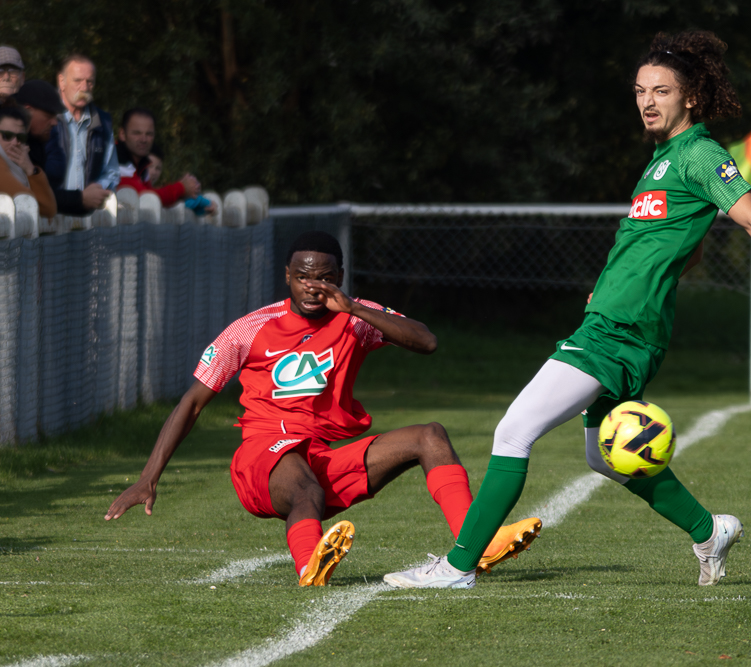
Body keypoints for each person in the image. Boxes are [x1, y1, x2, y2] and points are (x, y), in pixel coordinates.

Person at [384, 30, 751, 590]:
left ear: (691, 98)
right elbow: (685, 239)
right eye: (639, 91)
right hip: (613, 320)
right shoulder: (663, 158)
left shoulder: (702, 154)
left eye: (661, 91)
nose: (648, 101)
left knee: (513, 432)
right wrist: (624, 283)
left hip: (621, 333)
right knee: (603, 456)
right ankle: (708, 531)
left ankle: (458, 568)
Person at [105, 231, 540, 586]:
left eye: (325, 278)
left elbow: (426, 342)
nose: (314, 287)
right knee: (302, 483)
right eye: (303, 277)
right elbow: (192, 402)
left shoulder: (354, 317)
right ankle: (310, 567)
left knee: (431, 436)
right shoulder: (249, 329)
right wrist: (148, 477)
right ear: (288, 277)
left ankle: (476, 545)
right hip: (262, 457)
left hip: (322, 457)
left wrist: (353, 308)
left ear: (341, 277)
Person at [46, 54, 117, 216]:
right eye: (77, 81)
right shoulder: (44, 117)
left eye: (90, 82)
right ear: (61, 82)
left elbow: (111, 172)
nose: (84, 87)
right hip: (49, 214)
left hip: (87, 217)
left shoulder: (103, 122)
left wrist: (95, 192)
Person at [115, 107, 205, 208]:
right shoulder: (114, 162)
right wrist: (181, 188)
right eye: (137, 133)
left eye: (149, 134)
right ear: (122, 134)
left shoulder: (141, 165)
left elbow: (153, 199)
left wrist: (199, 201)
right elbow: (145, 197)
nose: (143, 139)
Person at [0, 105, 56, 217]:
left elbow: (49, 209)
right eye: (7, 136)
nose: (15, 142)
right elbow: (46, 207)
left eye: (20, 137)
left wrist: (31, 169)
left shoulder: (18, 168)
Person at [13, 79, 66, 178]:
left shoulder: (40, 139)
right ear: (27, 111)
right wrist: (31, 171)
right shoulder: (7, 141)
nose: (55, 123)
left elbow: (53, 181)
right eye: (48, 116)